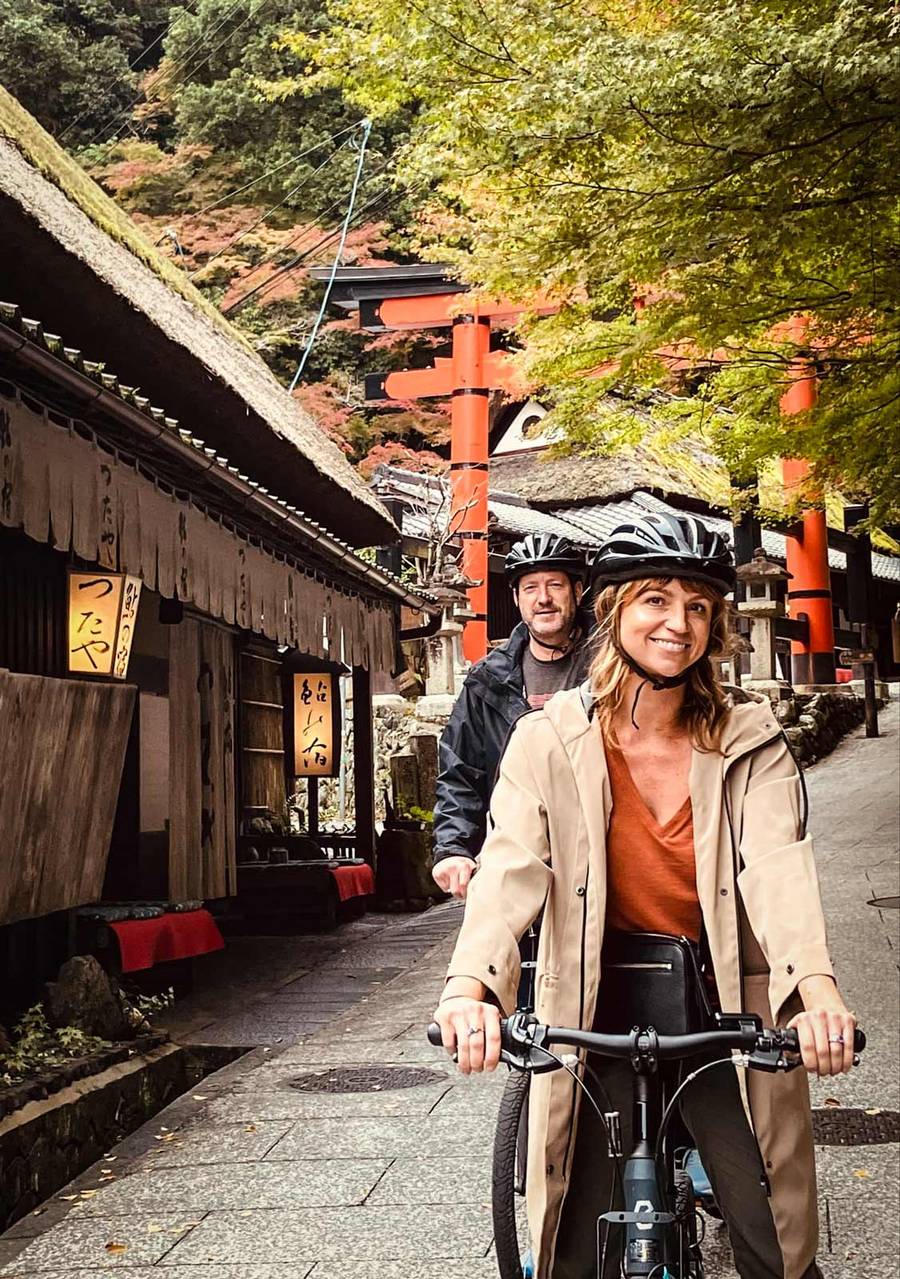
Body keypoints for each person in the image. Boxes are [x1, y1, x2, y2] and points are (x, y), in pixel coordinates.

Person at [433, 512, 857, 1279]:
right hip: (594, 1001)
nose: (679, 622)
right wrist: (471, 986)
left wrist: (816, 991)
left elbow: (776, 864)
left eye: (698, 606)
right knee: (569, 1245)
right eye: (656, 600)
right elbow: (511, 864)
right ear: (615, 610)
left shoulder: (747, 736)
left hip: (722, 1004)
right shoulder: (549, 737)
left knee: (772, 1238)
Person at [432, 532, 590, 900]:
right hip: (514, 849)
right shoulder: (488, 680)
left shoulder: (612, 668)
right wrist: (453, 848)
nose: (544, 598)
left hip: (598, 845)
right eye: (531, 588)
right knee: (493, 953)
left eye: (555, 585)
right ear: (517, 599)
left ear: (577, 592)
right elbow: (460, 771)